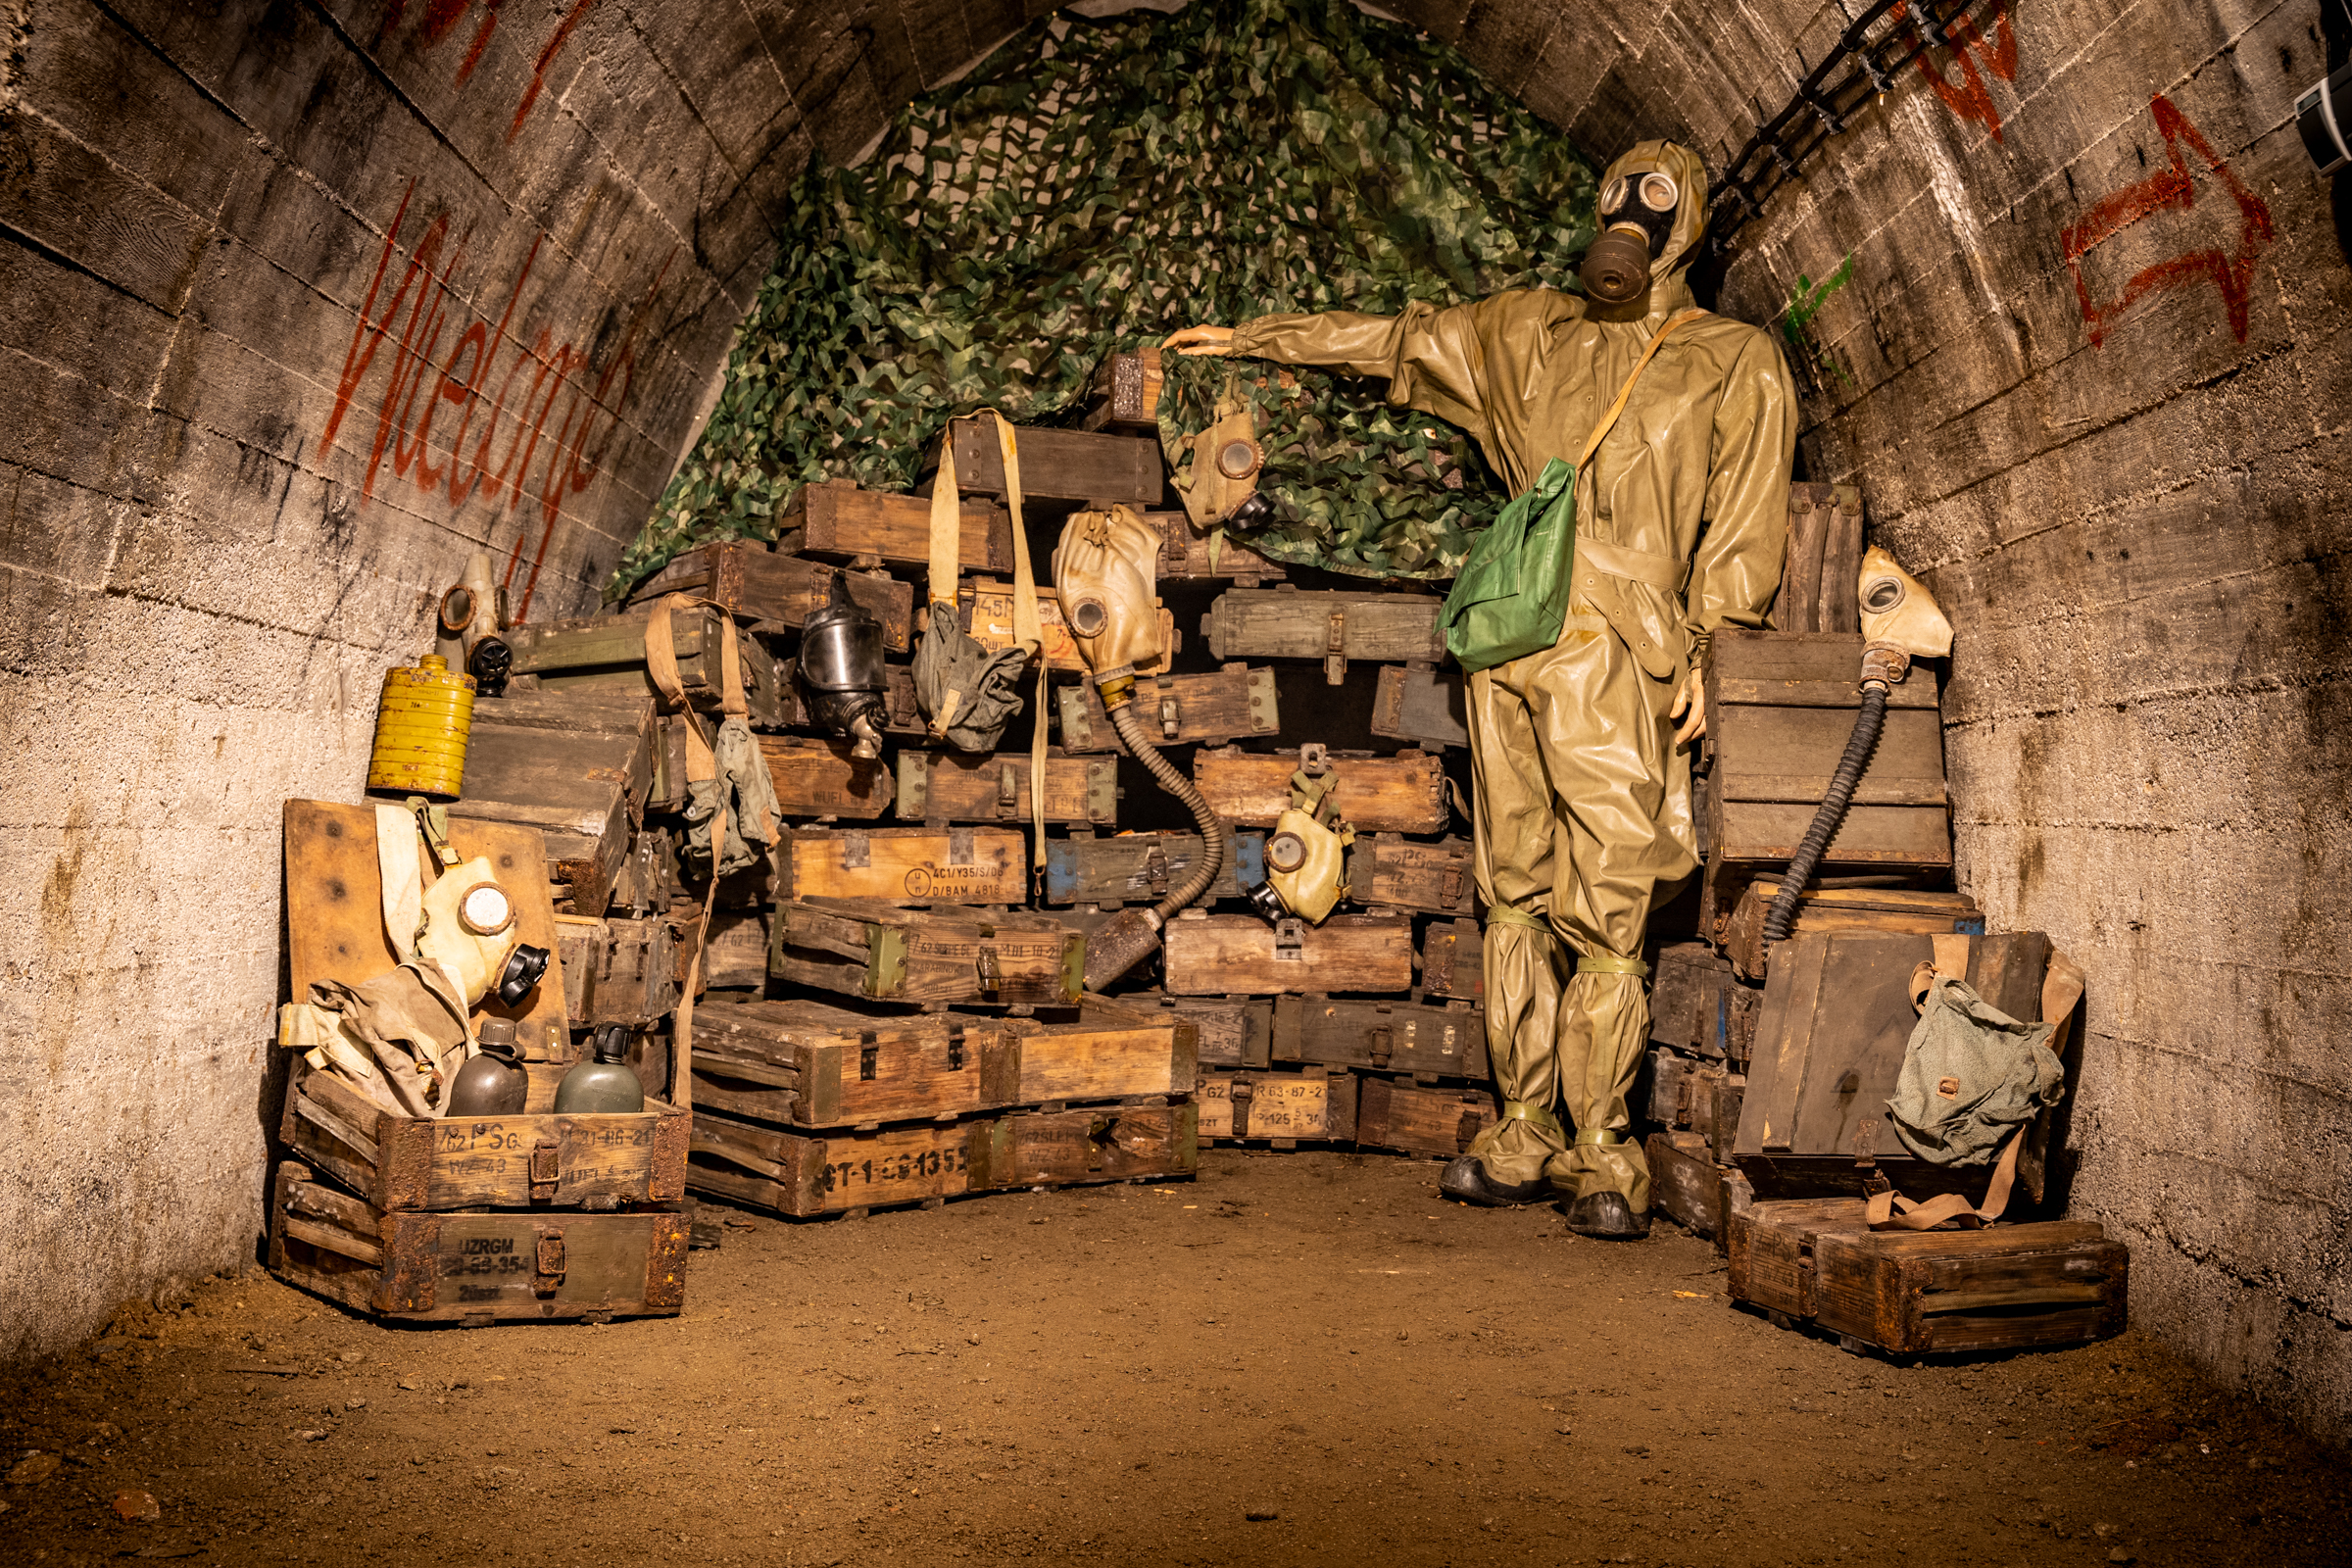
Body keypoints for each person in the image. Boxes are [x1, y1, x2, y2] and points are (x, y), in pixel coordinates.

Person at [1168, 140, 1795, 1239]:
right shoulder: (1526, 332)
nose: (1635, 211)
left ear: (1690, 220)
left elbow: (1745, 520)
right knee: (1514, 883)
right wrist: (1256, 339)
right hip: (1510, 637)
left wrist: (1716, 647)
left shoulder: (1733, 358)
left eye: (1659, 197)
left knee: (1608, 898)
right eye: (1621, 192)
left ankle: (1603, 1150)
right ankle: (1522, 1129)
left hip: (1624, 646)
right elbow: (1398, 340)